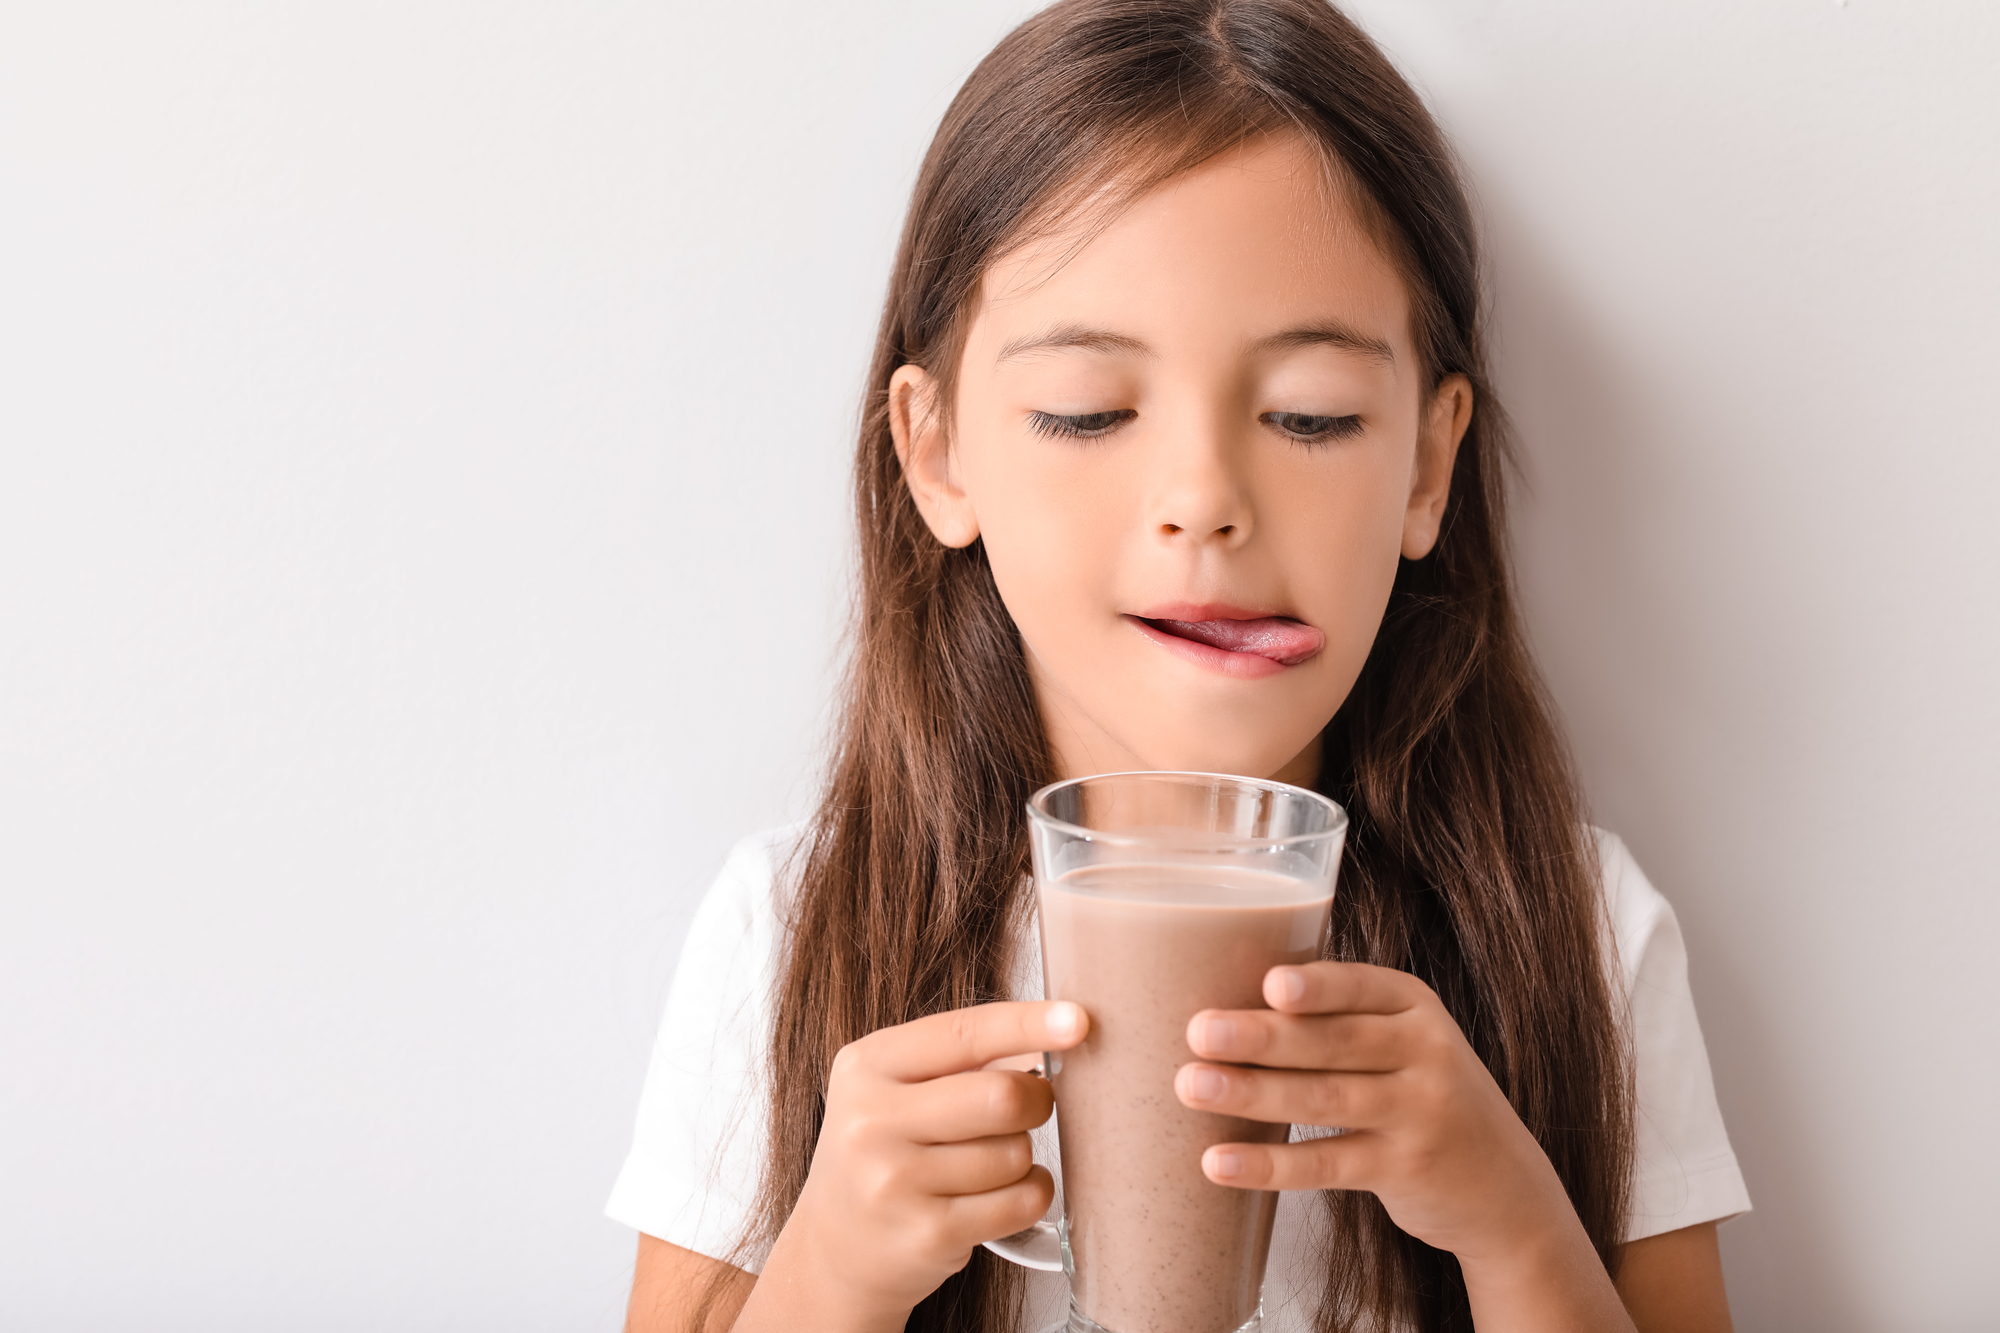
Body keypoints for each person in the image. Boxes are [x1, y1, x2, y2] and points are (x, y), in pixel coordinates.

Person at [609, 1, 1750, 1329]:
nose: (1203, 498)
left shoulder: (1581, 935)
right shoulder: (793, 930)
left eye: (1310, 414)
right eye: (1090, 410)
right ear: (939, 455)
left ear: (1431, 467)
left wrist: (1511, 1220)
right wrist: (825, 1277)